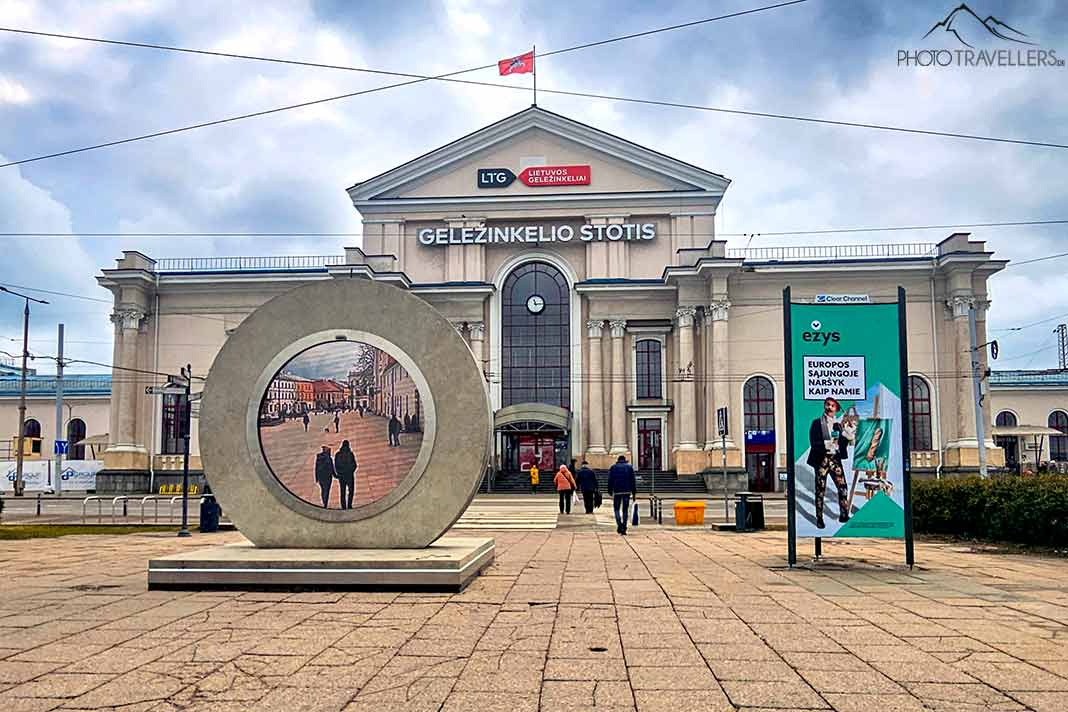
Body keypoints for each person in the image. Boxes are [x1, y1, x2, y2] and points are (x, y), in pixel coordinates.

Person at [807, 396, 852, 529]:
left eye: (832, 405)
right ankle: (819, 518)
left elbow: (845, 442)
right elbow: (814, 442)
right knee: (820, 490)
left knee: (843, 488)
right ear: (824, 406)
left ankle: (844, 515)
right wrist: (828, 445)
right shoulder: (816, 423)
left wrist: (847, 432)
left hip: (835, 460)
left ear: (836, 409)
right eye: (827, 404)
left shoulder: (838, 425)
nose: (829, 407)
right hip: (822, 459)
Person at [607, 455, 636, 535]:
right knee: (625, 510)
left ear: (618, 460)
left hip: (617, 491)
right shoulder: (629, 467)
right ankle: (624, 526)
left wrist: (610, 490)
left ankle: (620, 525)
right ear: (625, 460)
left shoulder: (613, 467)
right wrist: (634, 493)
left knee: (616, 509)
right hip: (627, 491)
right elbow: (633, 481)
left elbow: (610, 480)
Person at [334, 440, 358, 510]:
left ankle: (343, 506)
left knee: (342, 491)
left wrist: (339, 473)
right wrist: (350, 471)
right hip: (349, 476)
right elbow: (355, 465)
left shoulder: (338, 454)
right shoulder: (350, 454)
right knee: (351, 490)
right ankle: (349, 505)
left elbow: (336, 465)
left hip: (341, 476)